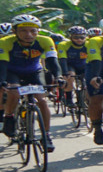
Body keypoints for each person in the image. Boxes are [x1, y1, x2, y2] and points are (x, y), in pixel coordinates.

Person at [0, 14, 61, 150]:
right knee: (14, 93)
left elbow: (52, 61)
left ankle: (46, 135)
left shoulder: (45, 40)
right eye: (23, 31)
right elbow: (2, 64)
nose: (29, 34)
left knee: (42, 101)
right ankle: (9, 116)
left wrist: (59, 76)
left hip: (34, 71)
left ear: (38, 31)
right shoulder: (5, 42)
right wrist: (2, 81)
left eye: (33, 31)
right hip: (12, 72)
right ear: (14, 31)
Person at [57, 25, 90, 111]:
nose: (79, 40)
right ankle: (69, 99)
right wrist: (65, 73)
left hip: (84, 65)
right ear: (70, 37)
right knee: (70, 77)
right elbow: (62, 59)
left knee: (90, 81)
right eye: (76, 37)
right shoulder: (63, 44)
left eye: (82, 37)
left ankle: (86, 99)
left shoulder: (89, 44)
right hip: (70, 65)